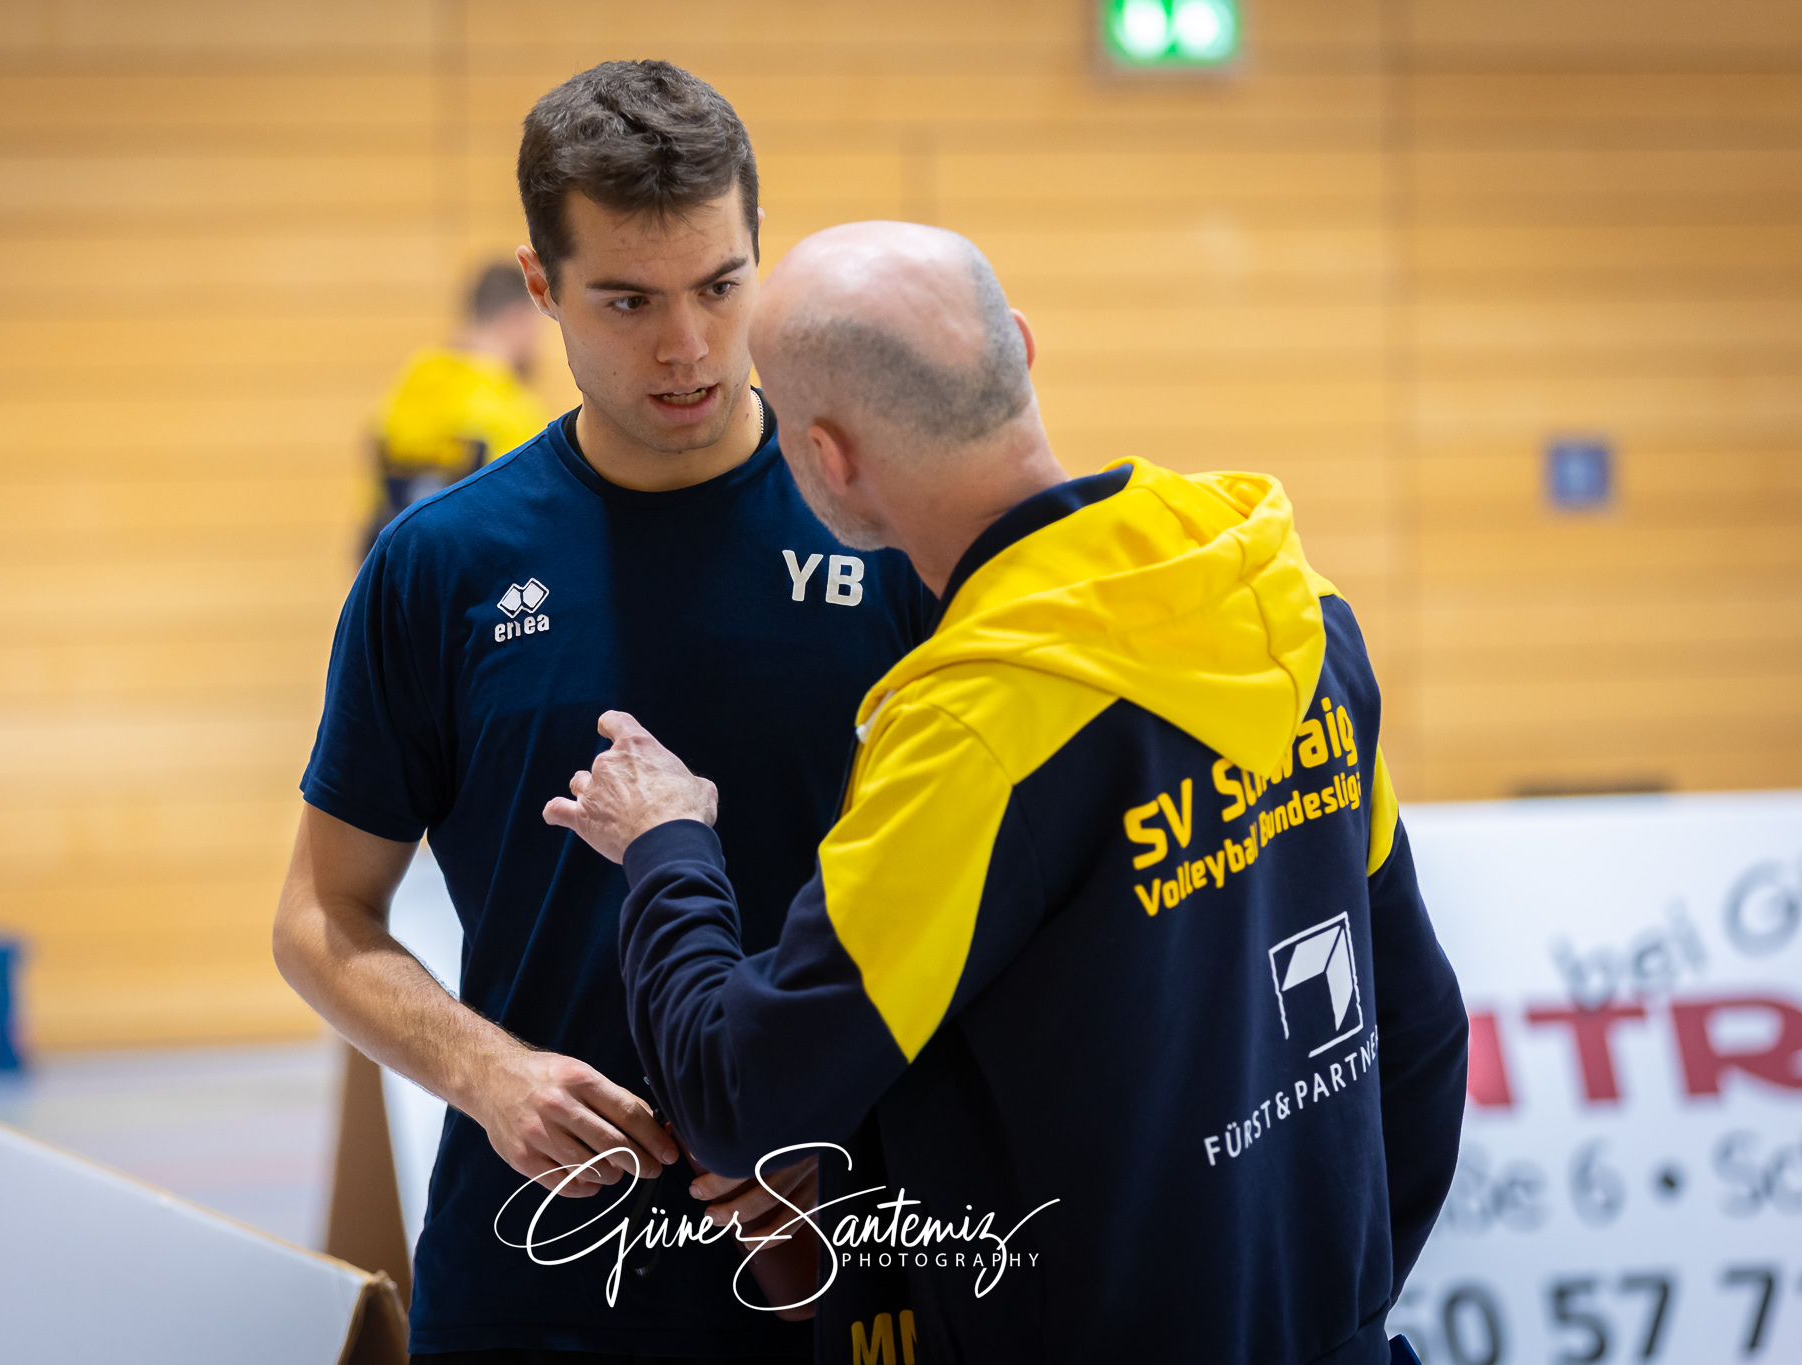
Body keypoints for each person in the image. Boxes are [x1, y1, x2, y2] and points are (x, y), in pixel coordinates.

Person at [543, 222, 1471, 1362]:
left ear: (826, 457)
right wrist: (1337, 1312)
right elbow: (1417, 1025)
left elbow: (741, 1095)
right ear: (1018, 351)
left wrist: (666, 846)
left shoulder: (975, 728)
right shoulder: (1293, 607)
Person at [273, 68, 935, 1362]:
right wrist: (481, 1071)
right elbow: (319, 915)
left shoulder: (896, 531)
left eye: (720, 286)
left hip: (845, 1248)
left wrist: (846, 1106)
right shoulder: (442, 567)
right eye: (629, 302)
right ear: (540, 288)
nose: (686, 344)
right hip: (539, 1266)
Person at [363, 263, 549, 553]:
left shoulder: (411, 384)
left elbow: (376, 516)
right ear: (518, 318)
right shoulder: (512, 408)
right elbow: (528, 530)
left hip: (402, 577)